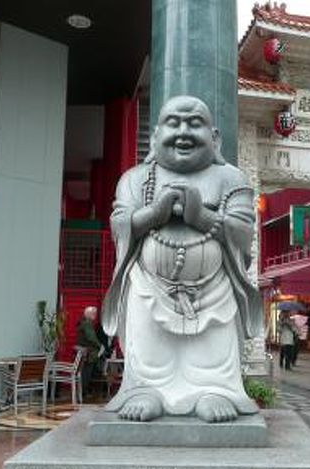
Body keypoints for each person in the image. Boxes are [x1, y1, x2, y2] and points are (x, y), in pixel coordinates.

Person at [102, 96, 262, 422]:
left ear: (215, 138)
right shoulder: (135, 179)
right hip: (149, 284)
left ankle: (214, 390)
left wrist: (202, 217)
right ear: (154, 136)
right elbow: (120, 223)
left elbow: (244, 231)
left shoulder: (232, 178)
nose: (183, 132)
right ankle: (146, 389)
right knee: (148, 349)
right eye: (174, 123)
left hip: (213, 289)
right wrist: (154, 213)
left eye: (194, 123)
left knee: (213, 352)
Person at [76, 306, 102, 394]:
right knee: (86, 373)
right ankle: (82, 392)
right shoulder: (87, 324)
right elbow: (91, 338)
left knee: (85, 372)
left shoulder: (84, 322)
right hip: (88, 353)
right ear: (88, 314)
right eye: (93, 313)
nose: (95, 315)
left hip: (86, 352)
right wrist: (100, 346)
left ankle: (83, 391)